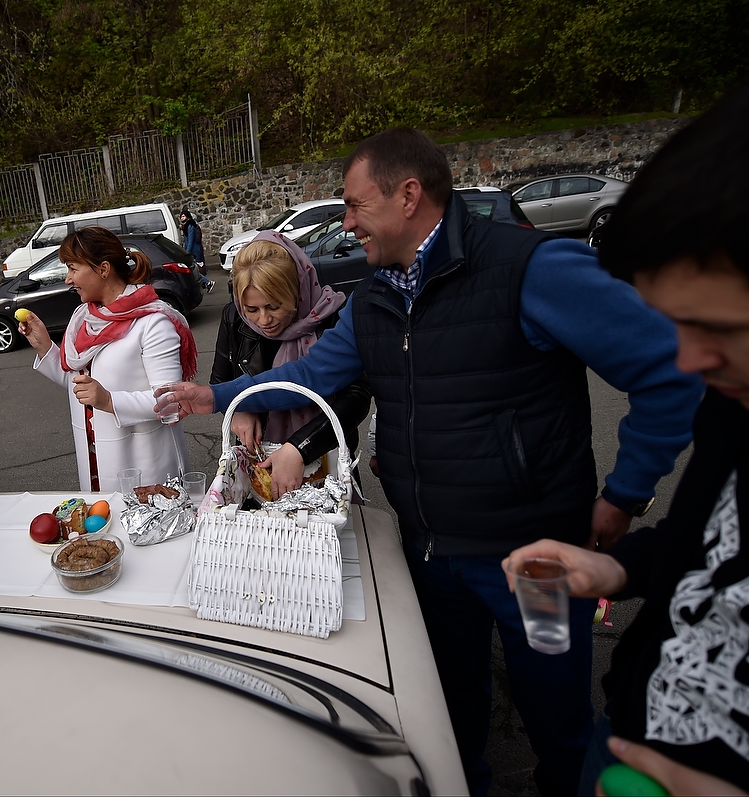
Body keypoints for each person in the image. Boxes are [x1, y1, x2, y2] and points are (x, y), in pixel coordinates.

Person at [157, 127, 704, 794]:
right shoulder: (374, 298)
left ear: (408, 196)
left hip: (534, 554)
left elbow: (668, 373)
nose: (346, 222)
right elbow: (315, 378)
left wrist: (624, 496)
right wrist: (214, 395)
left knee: (558, 718)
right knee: (450, 715)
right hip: (430, 555)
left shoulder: (532, 268)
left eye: (355, 205)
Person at [504, 68, 749, 797]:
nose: (690, 361)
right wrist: (618, 570)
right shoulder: (741, 401)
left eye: (720, 328)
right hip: (631, 734)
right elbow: (717, 546)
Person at [18, 227, 197, 493]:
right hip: (95, 463)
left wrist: (109, 401)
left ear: (103, 269)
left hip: (145, 467)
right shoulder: (84, 319)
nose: (68, 279)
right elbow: (82, 387)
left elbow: (171, 400)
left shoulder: (153, 323)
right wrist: (44, 346)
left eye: (73, 268)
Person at [212, 231, 371, 498]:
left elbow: (357, 397)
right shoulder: (234, 318)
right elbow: (220, 380)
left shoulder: (333, 317)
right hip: (258, 463)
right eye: (252, 309)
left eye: (274, 306)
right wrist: (238, 408)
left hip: (325, 454)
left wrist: (301, 446)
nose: (264, 320)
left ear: (298, 292)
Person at [180, 208, 214, 293]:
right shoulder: (186, 226)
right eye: (181, 216)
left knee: (194, 269)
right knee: (194, 269)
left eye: (183, 216)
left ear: (188, 217)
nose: (182, 218)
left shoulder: (190, 226)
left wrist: (187, 252)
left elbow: (190, 240)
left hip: (194, 251)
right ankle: (204, 283)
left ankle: (208, 282)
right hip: (192, 250)